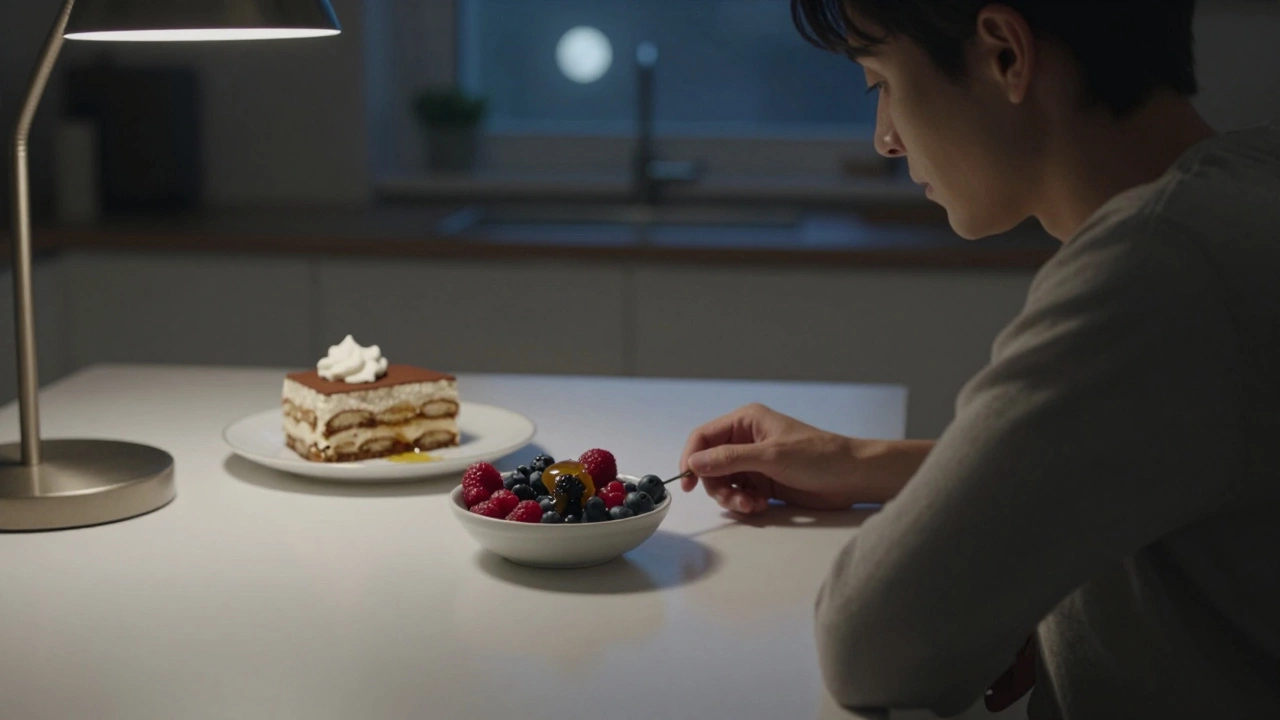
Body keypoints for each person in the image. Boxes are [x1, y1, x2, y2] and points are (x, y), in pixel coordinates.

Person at [677, 1, 1280, 718]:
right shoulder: (1250, 181)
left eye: (882, 84)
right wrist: (865, 460)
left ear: (1005, 56)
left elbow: (873, 645)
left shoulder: (1154, 268)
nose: (886, 141)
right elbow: (1154, 456)